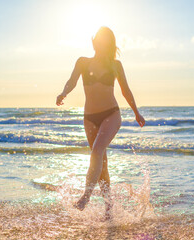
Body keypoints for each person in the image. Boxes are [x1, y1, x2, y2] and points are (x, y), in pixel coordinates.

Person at [56, 26, 145, 219]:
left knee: (96, 151)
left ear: (110, 45)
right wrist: (64, 93)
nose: (102, 44)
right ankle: (108, 208)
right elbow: (71, 81)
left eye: (107, 42)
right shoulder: (82, 62)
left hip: (111, 115)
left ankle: (85, 197)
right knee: (101, 163)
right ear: (95, 41)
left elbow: (126, 91)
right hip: (89, 117)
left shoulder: (115, 65)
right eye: (100, 40)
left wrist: (136, 112)